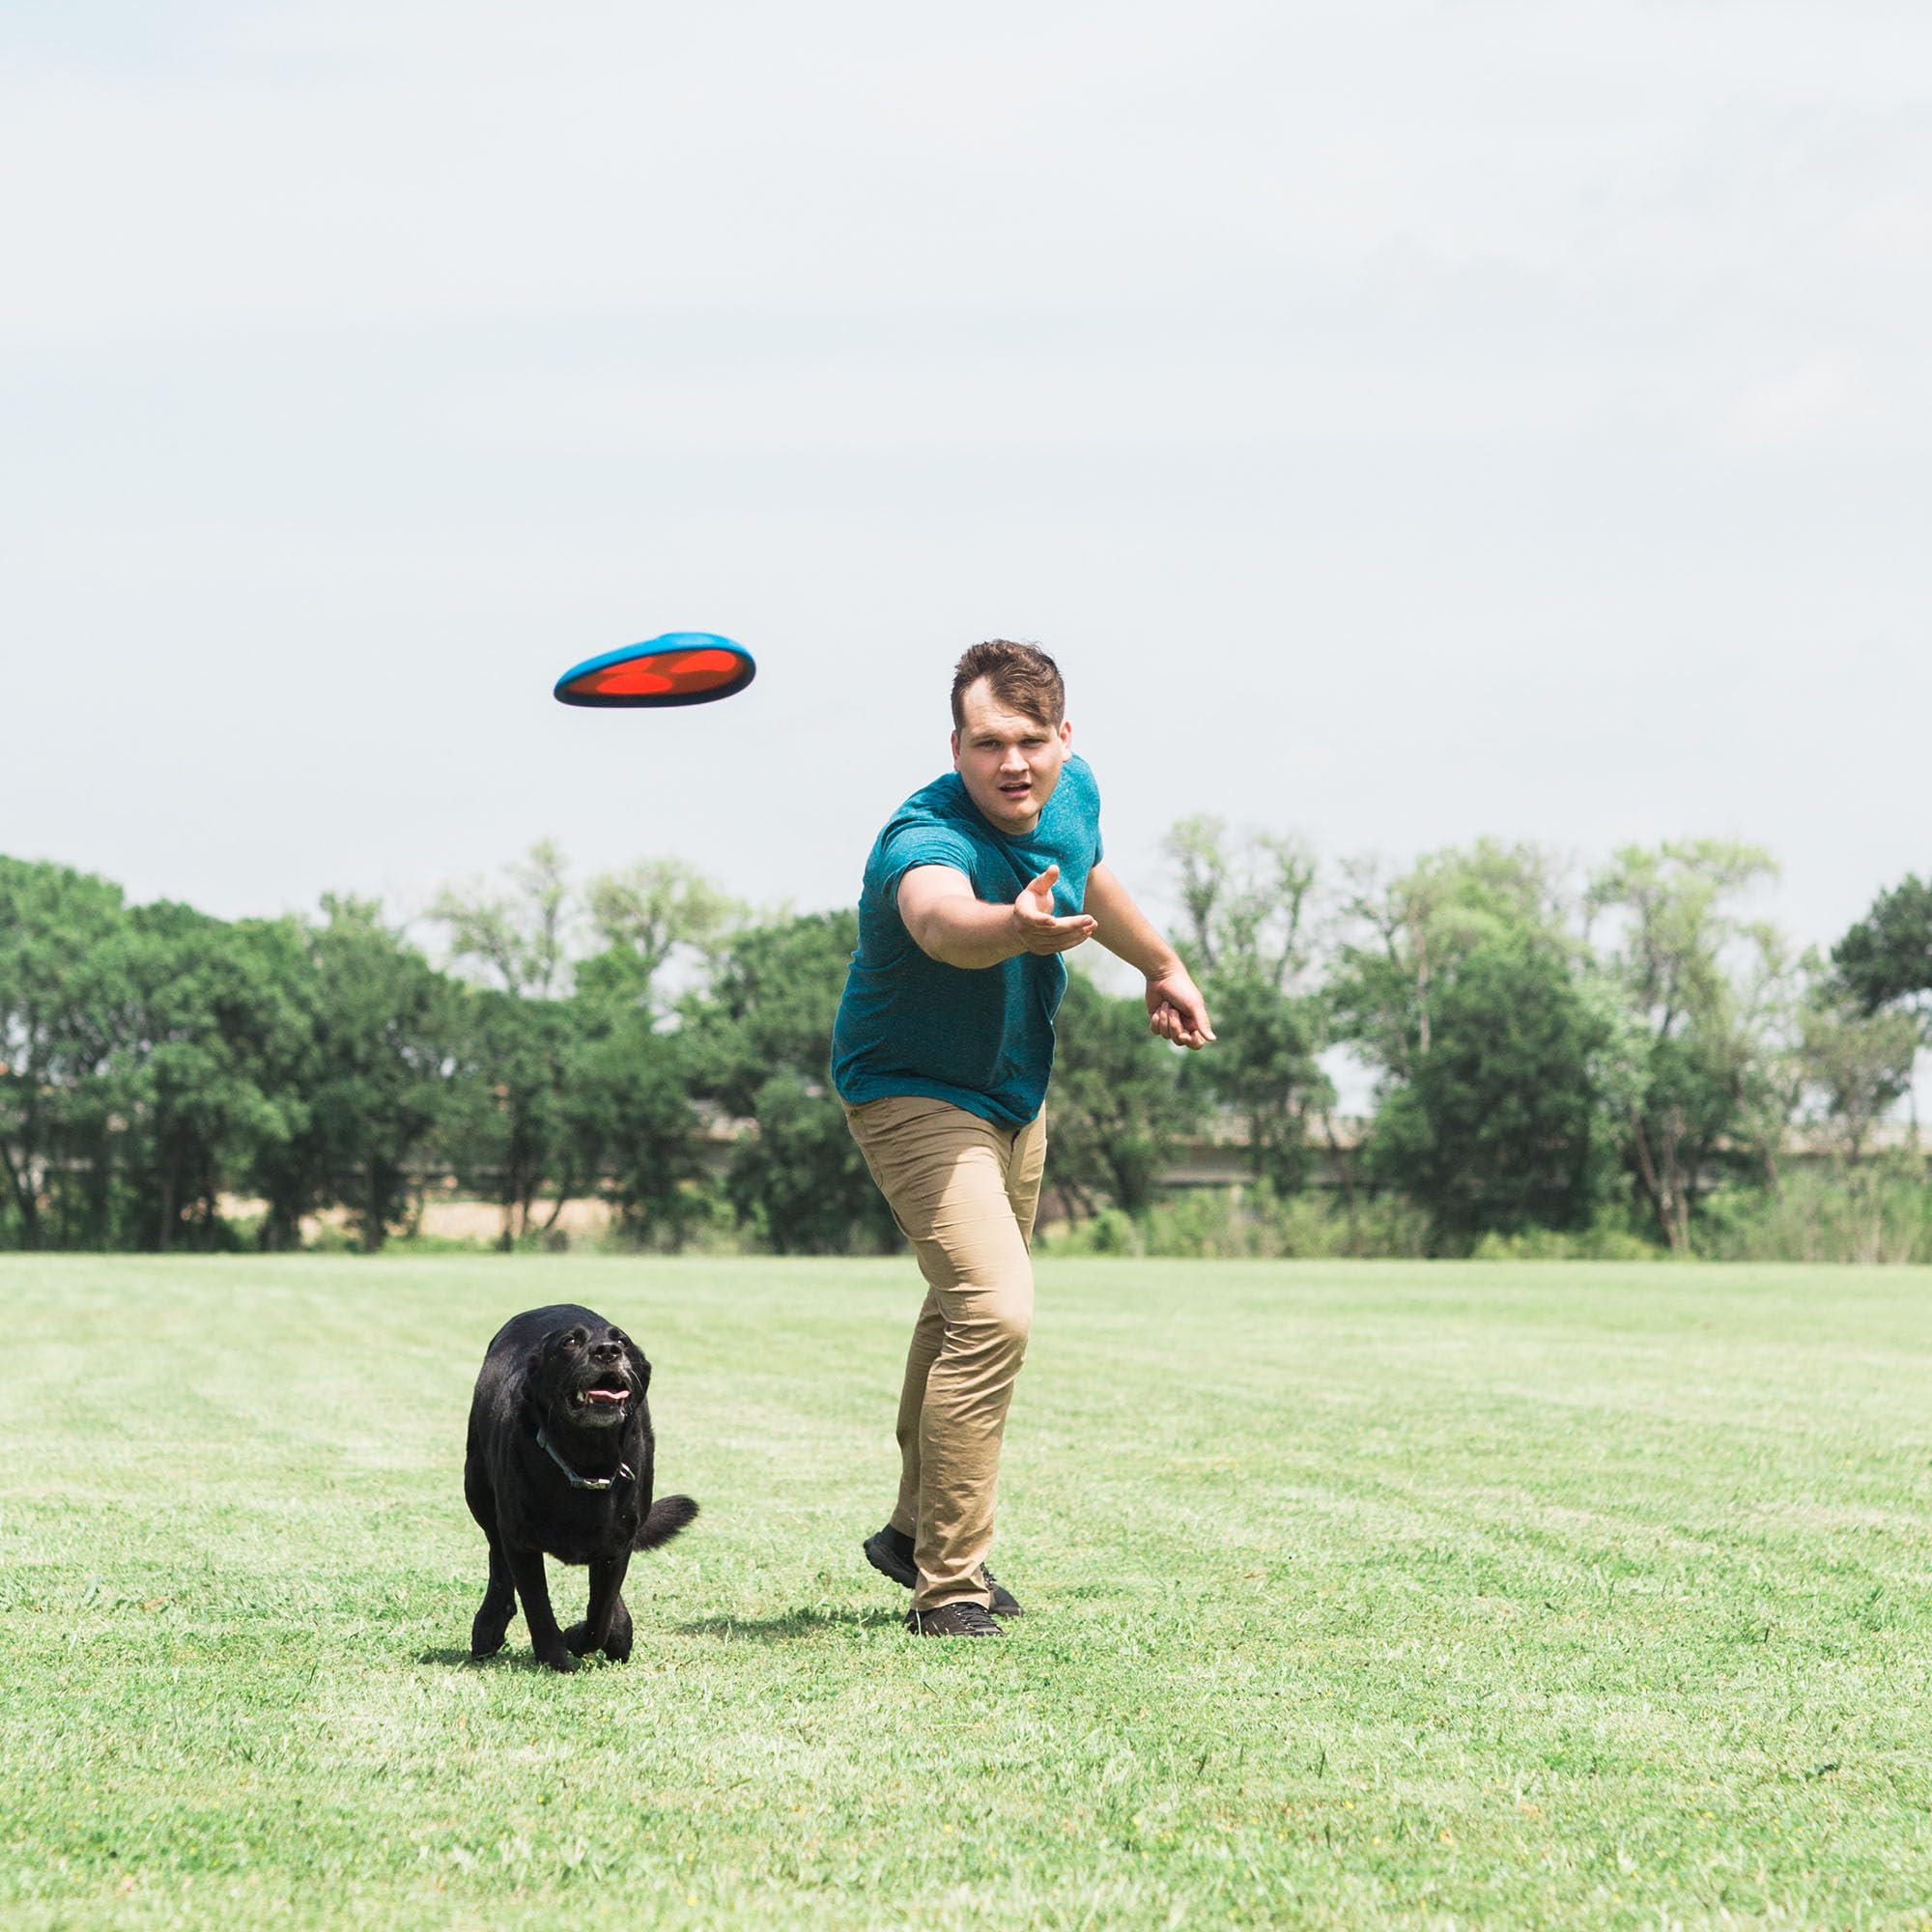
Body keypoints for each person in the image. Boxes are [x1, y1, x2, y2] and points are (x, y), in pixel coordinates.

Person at [831, 640, 1214, 1637]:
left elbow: (1090, 870)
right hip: (906, 1088)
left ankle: (913, 1525)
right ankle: (948, 1584)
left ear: (1063, 738)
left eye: (1030, 742)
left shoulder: (1073, 790)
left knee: (959, 1304)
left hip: (1009, 1093)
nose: (1012, 764)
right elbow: (938, 923)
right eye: (987, 742)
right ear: (954, 742)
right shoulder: (923, 834)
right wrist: (1010, 924)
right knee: (993, 1309)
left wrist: (1159, 962)